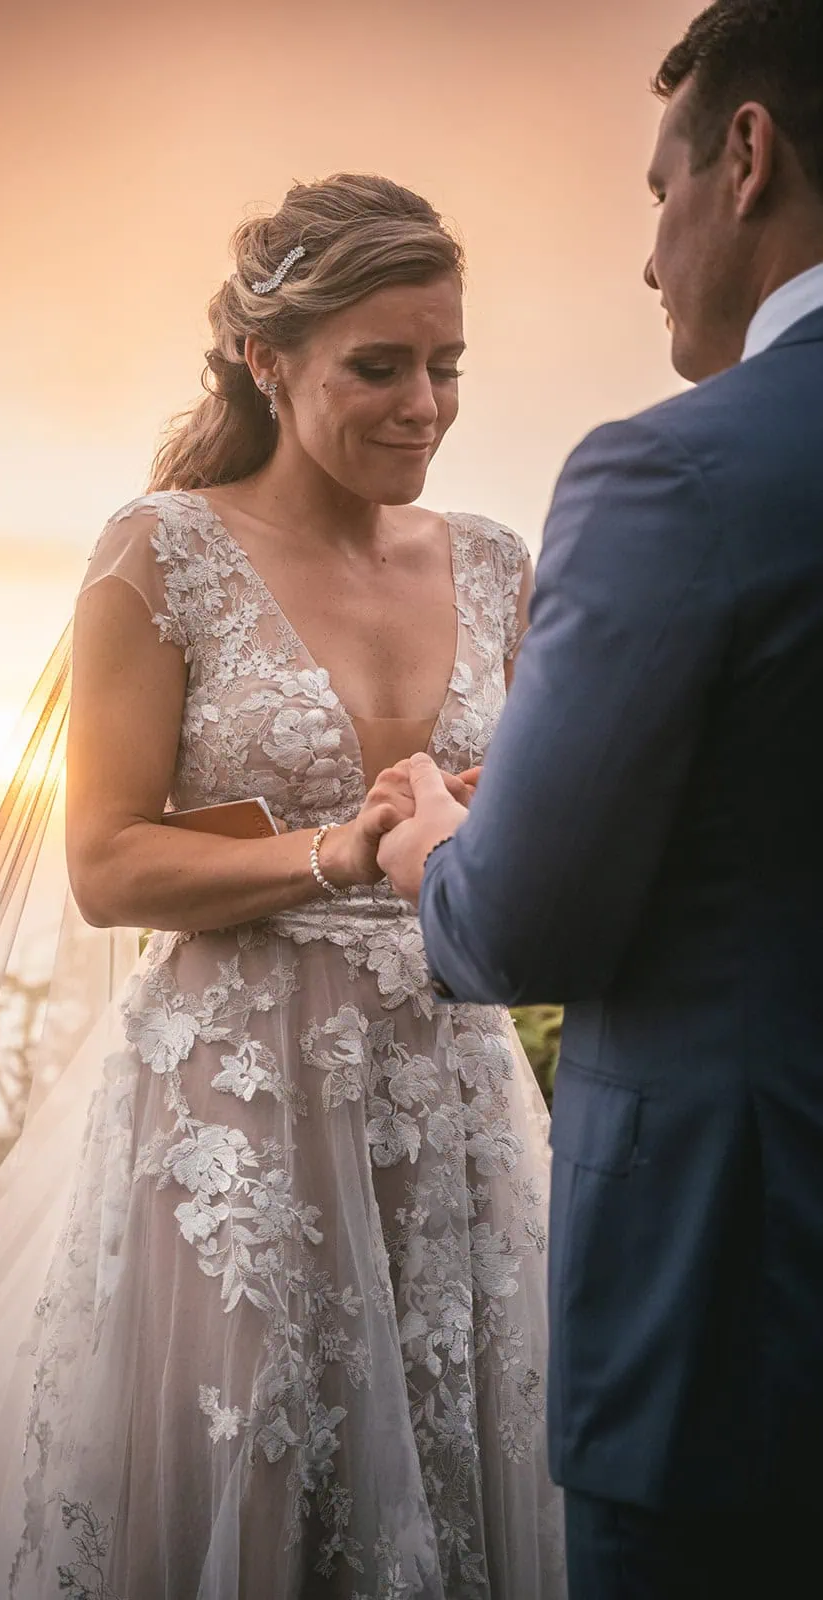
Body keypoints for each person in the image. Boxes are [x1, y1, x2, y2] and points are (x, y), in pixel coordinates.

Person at [0, 174, 564, 1599]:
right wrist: (337, 850)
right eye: (377, 367)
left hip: (450, 1092)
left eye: (444, 366)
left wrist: (494, 812)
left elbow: (551, 809)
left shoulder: (499, 563)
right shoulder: (164, 551)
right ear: (268, 360)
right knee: (240, 1473)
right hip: (236, 1105)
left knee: (467, 1462)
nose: (424, 405)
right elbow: (104, 859)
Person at [378, 4, 823, 1597]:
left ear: (748, 154)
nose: (647, 258)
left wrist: (445, 842)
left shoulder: (674, 475)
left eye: (657, 191)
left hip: (742, 1325)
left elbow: (525, 917)